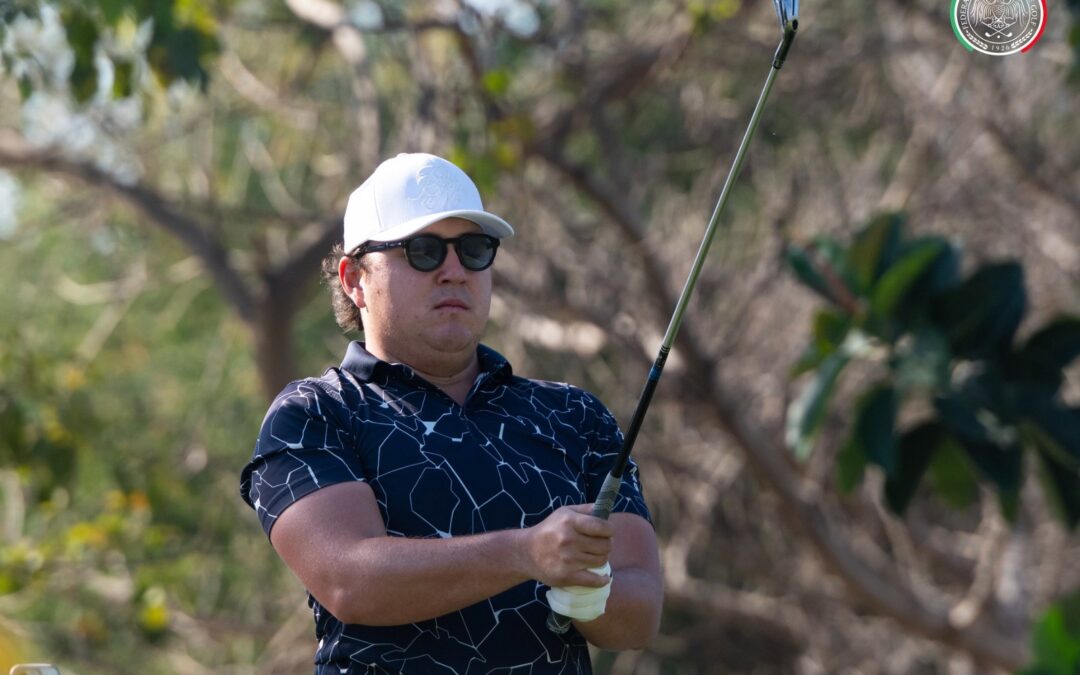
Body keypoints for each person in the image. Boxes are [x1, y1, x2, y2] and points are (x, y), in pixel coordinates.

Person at [240, 152, 662, 674]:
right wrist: (525, 553)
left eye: (474, 249)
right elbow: (349, 580)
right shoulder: (316, 413)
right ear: (354, 279)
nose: (454, 271)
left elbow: (641, 613)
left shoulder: (574, 415)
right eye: (423, 251)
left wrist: (589, 593)